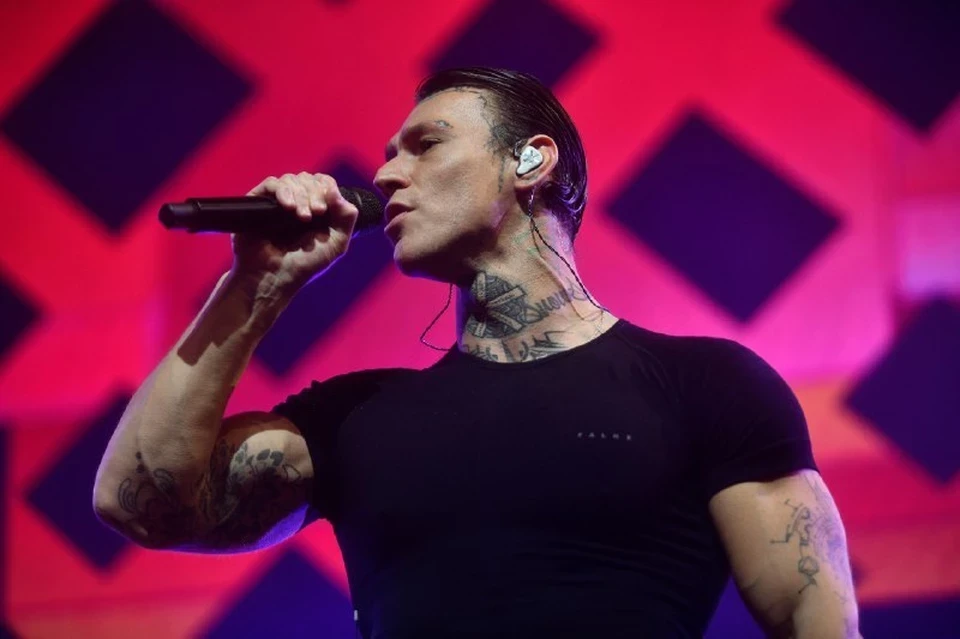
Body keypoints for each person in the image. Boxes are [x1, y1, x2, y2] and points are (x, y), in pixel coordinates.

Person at [94, 67, 860, 638]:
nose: (385, 175)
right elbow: (142, 502)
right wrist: (254, 285)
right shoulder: (358, 418)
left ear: (531, 161)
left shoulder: (706, 384)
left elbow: (812, 615)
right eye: (388, 155)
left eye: (424, 145)